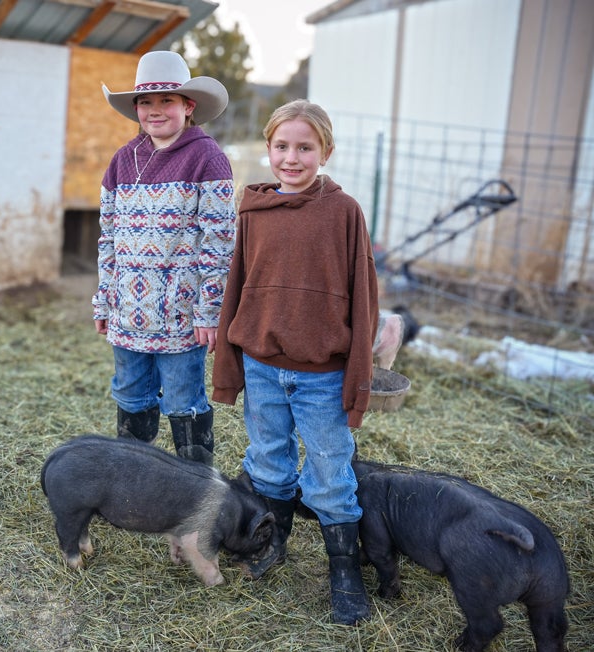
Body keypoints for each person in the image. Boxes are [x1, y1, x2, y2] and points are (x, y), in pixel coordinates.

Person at [211, 99, 378, 625]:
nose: (291, 157)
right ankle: (273, 540)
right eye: (281, 146)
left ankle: (345, 572)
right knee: (268, 459)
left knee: (330, 470)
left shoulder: (344, 211)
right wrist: (231, 361)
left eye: (304, 147)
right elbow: (238, 286)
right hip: (262, 364)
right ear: (268, 148)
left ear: (325, 151)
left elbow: (363, 299)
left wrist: (358, 379)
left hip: (322, 374)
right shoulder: (253, 211)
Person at [93, 51, 236, 465]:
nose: (155, 111)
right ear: (135, 108)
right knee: (131, 394)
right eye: (146, 102)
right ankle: (138, 482)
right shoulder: (122, 161)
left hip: (180, 314)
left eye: (167, 101)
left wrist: (209, 310)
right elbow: (109, 238)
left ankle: (194, 490)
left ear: (188, 106)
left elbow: (219, 241)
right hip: (127, 311)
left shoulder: (208, 159)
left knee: (182, 399)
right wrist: (104, 298)